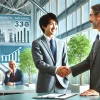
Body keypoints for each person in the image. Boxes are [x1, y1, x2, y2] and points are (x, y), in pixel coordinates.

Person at [61, 4, 100, 96]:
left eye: (91, 15)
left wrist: (98, 90)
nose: (89, 20)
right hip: (94, 92)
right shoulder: (97, 40)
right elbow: (89, 61)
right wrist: (70, 70)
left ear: (99, 16)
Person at [32, 13, 69, 93]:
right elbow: (39, 63)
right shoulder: (37, 43)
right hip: (45, 86)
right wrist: (56, 70)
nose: (54, 27)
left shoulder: (62, 43)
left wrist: (66, 79)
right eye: (51, 24)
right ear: (43, 26)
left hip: (61, 85)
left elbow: (65, 63)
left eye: (56, 24)